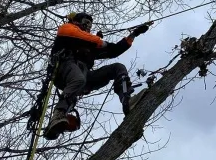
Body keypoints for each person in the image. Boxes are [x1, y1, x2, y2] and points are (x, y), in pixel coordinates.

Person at [43, 12, 150, 140]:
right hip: (64, 68)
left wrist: (133, 34)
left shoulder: (90, 44)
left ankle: (127, 100)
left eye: (90, 24)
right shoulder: (67, 29)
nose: (88, 25)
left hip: (84, 76)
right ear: (76, 21)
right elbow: (76, 36)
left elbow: (113, 50)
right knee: (79, 79)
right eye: (86, 22)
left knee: (117, 68)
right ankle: (58, 115)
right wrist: (100, 42)